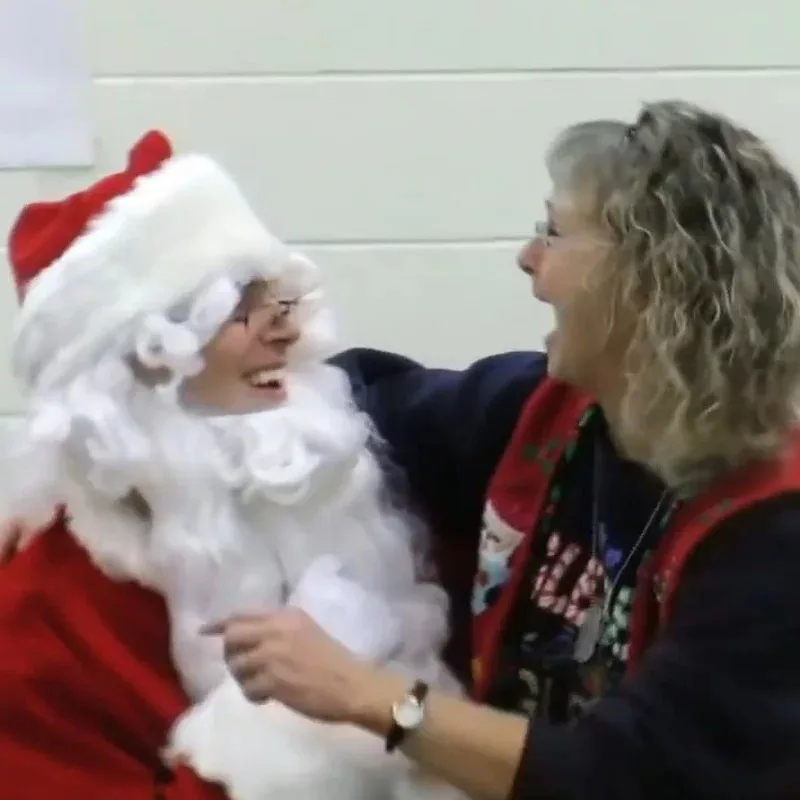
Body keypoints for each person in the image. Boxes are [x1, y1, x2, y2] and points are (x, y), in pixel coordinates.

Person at [207, 101, 800, 799]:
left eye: (553, 232)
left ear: (647, 282)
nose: (528, 259)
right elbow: (356, 409)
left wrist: (368, 696)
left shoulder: (770, 533)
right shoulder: (543, 414)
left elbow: (631, 774)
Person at [0, 130, 464, 799]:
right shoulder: (41, 623)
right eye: (239, 312)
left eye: (280, 298)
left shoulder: (351, 479)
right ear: (139, 373)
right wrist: (289, 724)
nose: (289, 330)